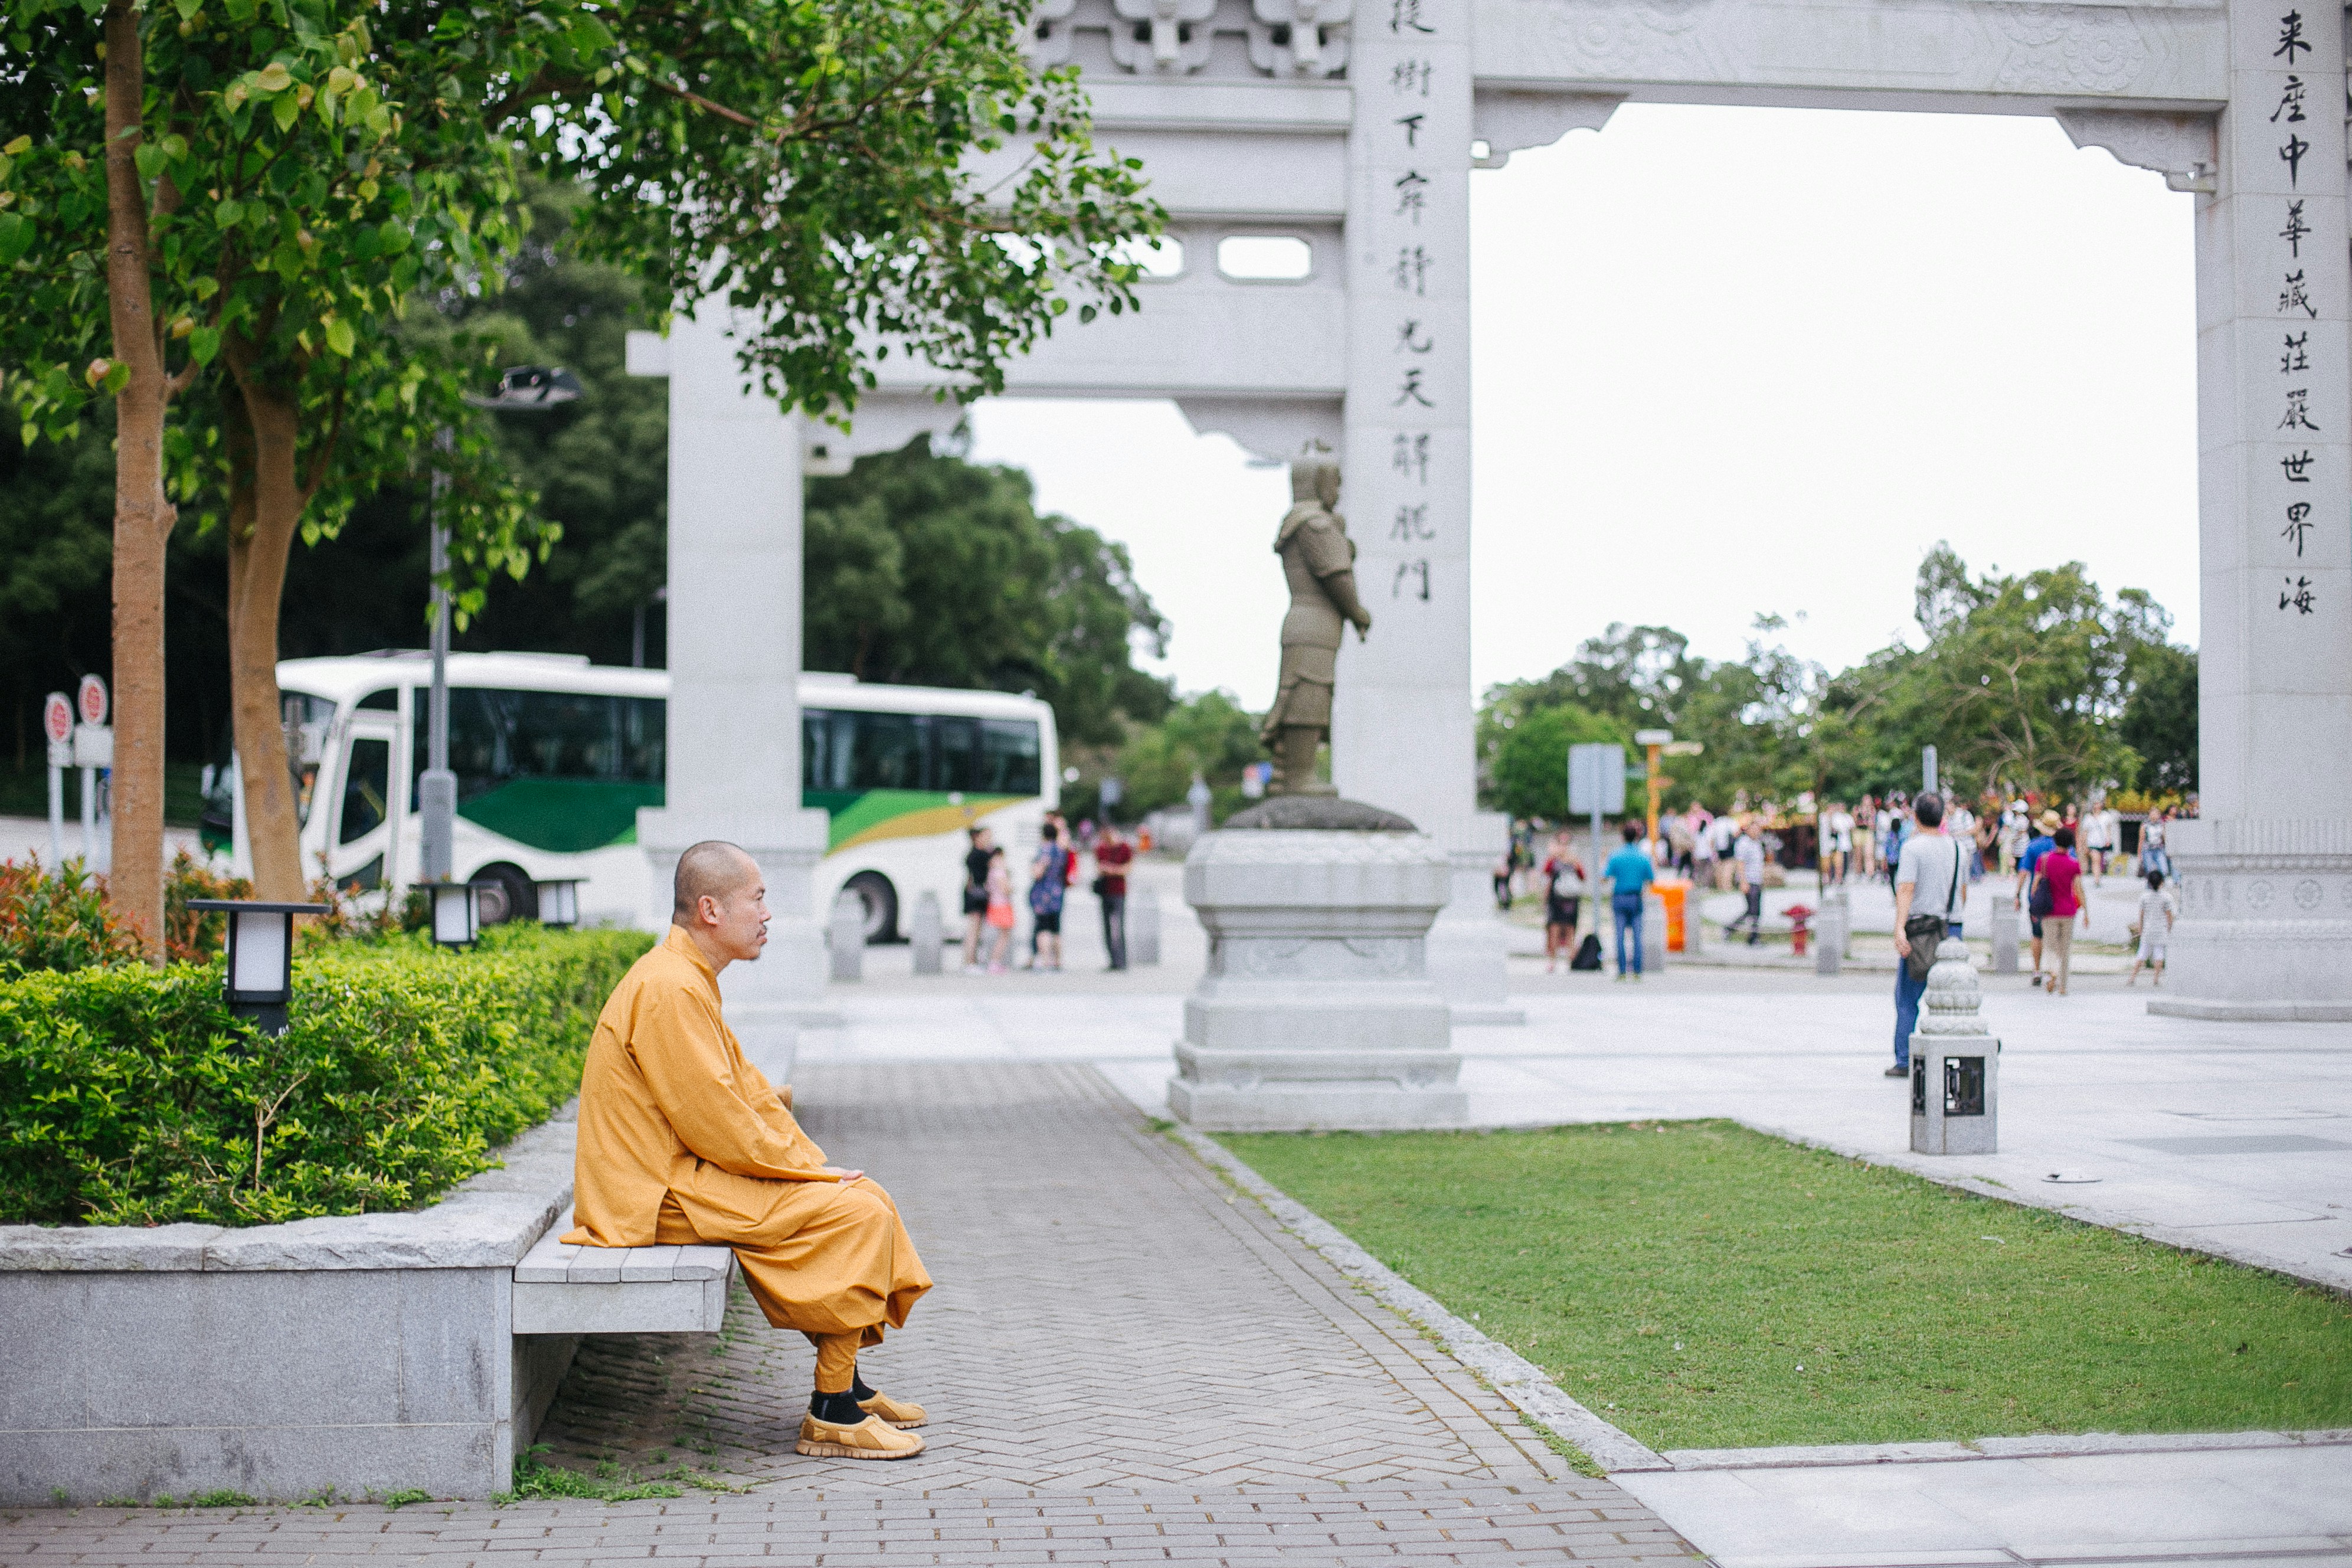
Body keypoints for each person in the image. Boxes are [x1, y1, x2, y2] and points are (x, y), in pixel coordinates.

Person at [566, 841, 933, 1461]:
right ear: (710, 908)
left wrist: (808, 1164)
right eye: (758, 897)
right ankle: (831, 1414)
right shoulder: (670, 987)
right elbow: (716, 1119)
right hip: (651, 1192)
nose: (768, 913)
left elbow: (742, 1088)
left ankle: (848, 1385)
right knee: (855, 1213)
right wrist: (803, 1172)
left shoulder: (684, 976)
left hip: (673, 1172)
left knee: (857, 1196)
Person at [1889, 793, 1966, 1079]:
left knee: (1907, 997)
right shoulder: (1959, 848)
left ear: (1916, 816)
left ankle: (1903, 1059)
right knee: (1951, 995)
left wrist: (1899, 927)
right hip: (1952, 928)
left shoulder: (1913, 848)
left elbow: (1906, 889)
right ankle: (1953, 1053)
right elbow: (1963, 892)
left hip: (1921, 930)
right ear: (1943, 817)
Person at [2033, 826, 2086, 996]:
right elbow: (2079, 889)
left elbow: (2036, 885)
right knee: (2065, 949)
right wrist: (2086, 912)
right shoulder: (2074, 864)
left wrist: (2034, 906)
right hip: (2069, 911)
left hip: (2049, 911)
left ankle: (2053, 972)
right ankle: (2063, 986)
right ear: (2071, 844)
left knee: (2050, 947)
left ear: (2055, 841)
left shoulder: (2044, 860)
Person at [1604, 821, 1654, 980]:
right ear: (1637, 836)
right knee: (1637, 936)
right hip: (1636, 897)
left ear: (1622, 836)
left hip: (1619, 897)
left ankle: (1622, 971)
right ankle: (1637, 971)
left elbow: (1604, 877)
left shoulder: (1616, 855)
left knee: (1619, 935)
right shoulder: (1643, 856)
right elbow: (1651, 880)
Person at [2016, 809, 2060, 987]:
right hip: (2058, 896)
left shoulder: (2033, 846)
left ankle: (2036, 970)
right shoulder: (2063, 846)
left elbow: (2024, 872)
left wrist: (2017, 894)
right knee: (2055, 937)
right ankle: (2053, 971)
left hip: (2037, 898)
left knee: (2037, 935)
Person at [1540, 835, 1586, 973]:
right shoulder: (1567, 861)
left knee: (1567, 931)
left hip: (1563, 900)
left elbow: (1582, 876)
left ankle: (1565, 960)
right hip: (1564, 901)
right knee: (1558, 931)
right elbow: (1582, 878)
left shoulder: (1558, 861)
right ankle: (1557, 961)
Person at [1027, 822, 1070, 971]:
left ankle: (1045, 961)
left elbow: (1038, 872)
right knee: (1055, 928)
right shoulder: (1060, 850)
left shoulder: (1045, 850)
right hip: (1057, 892)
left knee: (1042, 927)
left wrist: (1034, 869)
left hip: (1044, 893)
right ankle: (1057, 961)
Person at [1093, 823, 1133, 971]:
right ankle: (1112, 960)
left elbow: (1128, 868)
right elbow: (1098, 866)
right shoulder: (1101, 849)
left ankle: (1122, 960)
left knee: (1119, 927)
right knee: (1107, 928)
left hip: (1119, 892)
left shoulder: (1124, 848)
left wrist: (1112, 870)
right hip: (1105, 891)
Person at [2127, 868, 2175, 987]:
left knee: (2142, 954)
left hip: (2148, 929)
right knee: (2159, 954)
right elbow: (2169, 916)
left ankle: (2133, 977)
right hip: (2161, 930)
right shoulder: (2166, 898)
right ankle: (2156, 979)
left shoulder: (2145, 897)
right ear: (2162, 882)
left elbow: (2141, 915)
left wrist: (2141, 928)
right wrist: (2170, 928)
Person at [959, 826, 995, 973]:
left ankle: (970, 960)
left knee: (974, 930)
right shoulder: (981, 855)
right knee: (974, 930)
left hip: (972, 893)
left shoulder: (972, 854)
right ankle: (970, 962)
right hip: (978, 894)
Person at [1728, 819, 1767, 945]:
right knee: (1753, 910)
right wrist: (1743, 882)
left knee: (1755, 911)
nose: (1757, 832)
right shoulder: (1743, 843)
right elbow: (1740, 864)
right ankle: (1753, 938)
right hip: (1749, 880)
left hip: (1757, 880)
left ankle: (1731, 929)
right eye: (1754, 829)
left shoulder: (1757, 843)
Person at [982, 847, 1015, 973]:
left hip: (995, 904)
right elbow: (1005, 889)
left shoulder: (991, 872)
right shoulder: (999, 872)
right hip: (1002, 905)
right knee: (1004, 936)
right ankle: (994, 962)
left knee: (1002, 935)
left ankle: (995, 962)